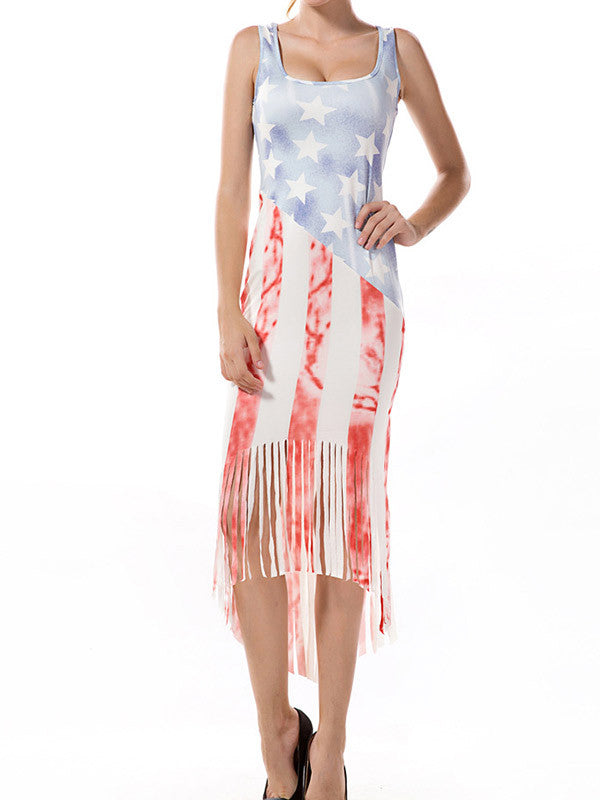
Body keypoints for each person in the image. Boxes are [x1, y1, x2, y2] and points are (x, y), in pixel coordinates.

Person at [212, 1, 470, 798]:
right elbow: (231, 190)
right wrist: (227, 310)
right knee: (252, 516)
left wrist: (413, 224)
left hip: (363, 311)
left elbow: (455, 172)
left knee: (342, 522)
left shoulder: (397, 50)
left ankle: (329, 755)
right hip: (271, 308)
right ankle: (277, 734)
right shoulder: (253, 47)